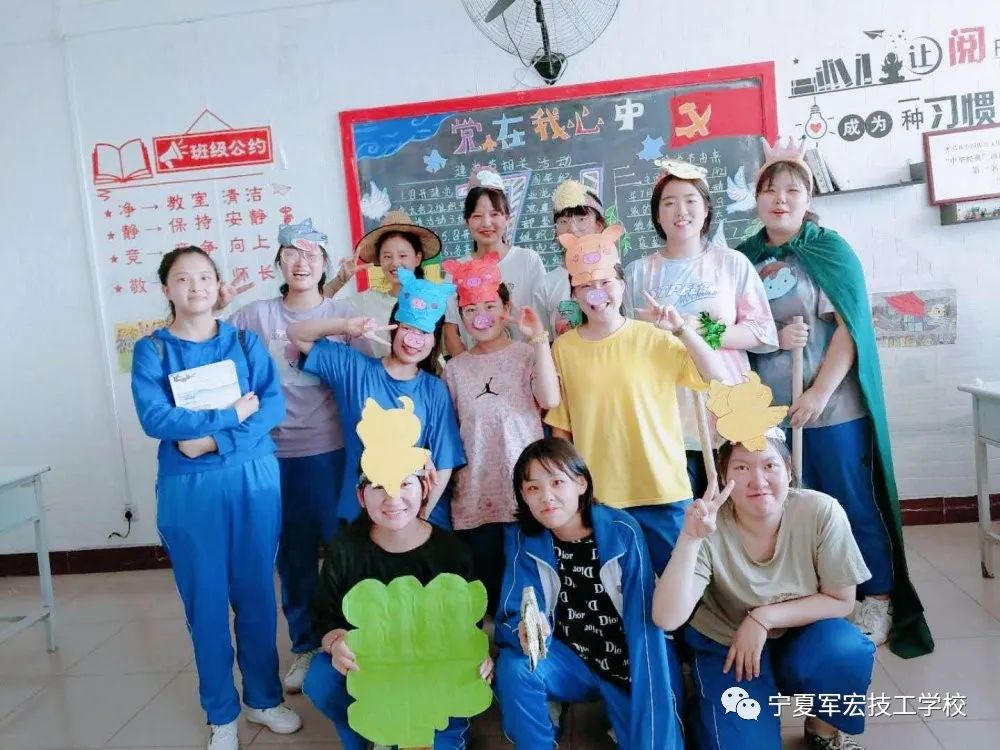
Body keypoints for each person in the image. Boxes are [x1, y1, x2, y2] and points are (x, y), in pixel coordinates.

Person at [737, 137, 932, 656]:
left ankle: (877, 597)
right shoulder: (742, 258)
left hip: (832, 410)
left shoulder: (829, 250)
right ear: (756, 197)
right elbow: (731, 328)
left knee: (848, 502)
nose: (781, 199)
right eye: (770, 189)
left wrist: (819, 393)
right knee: (789, 510)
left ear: (809, 197)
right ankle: (811, 599)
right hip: (767, 414)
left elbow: (850, 327)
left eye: (792, 189)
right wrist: (773, 339)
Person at [130, 246, 300, 750]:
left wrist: (209, 440)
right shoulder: (153, 351)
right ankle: (221, 714)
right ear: (167, 289)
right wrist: (229, 416)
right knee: (205, 602)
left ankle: (263, 699)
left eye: (205, 276)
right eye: (183, 278)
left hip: (253, 477)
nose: (196, 286)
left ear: (218, 284)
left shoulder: (244, 342)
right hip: (190, 490)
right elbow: (156, 418)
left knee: (256, 593)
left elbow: (270, 408)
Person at [652, 426, 876, 750]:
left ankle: (823, 731)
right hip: (730, 649)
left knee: (844, 648)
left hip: (800, 638)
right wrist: (689, 538)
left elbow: (842, 601)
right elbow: (667, 618)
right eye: (742, 467)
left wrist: (762, 617)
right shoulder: (708, 526)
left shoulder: (821, 511)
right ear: (723, 476)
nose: (758, 481)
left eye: (770, 465)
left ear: (789, 471)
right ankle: (705, 700)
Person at [227, 219, 372, 693]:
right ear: (279, 261)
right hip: (273, 457)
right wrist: (218, 301)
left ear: (325, 264)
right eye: (292, 253)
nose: (301, 262)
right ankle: (307, 645)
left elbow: (372, 373)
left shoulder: (344, 313)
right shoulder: (256, 315)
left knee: (346, 549)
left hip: (333, 453)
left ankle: (356, 636)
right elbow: (207, 345)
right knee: (293, 556)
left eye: (312, 255)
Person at [303, 398, 493, 749]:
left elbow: (469, 625)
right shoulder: (346, 549)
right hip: (375, 672)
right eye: (379, 486)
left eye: (405, 484)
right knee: (320, 678)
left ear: (424, 488)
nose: (393, 498)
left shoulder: (451, 552)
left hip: (433, 677)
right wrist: (335, 642)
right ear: (361, 496)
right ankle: (367, 734)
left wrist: (478, 654)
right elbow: (324, 617)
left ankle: (445, 731)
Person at [543, 223, 727, 573]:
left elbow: (715, 377)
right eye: (586, 286)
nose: (597, 293)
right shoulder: (564, 348)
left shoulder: (655, 337)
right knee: (620, 588)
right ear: (574, 294)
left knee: (679, 581)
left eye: (605, 282)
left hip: (663, 487)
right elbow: (562, 429)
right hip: (602, 494)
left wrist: (682, 330)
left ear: (623, 285)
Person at [493, 438, 683, 750]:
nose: (546, 497)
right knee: (515, 667)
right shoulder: (523, 539)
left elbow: (645, 627)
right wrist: (524, 632)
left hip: (629, 666)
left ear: (581, 483)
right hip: (570, 663)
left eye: (557, 482)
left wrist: (654, 715)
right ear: (523, 496)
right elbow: (513, 612)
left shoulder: (622, 531)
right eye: (533, 488)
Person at [623, 159, 777, 498]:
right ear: (657, 215)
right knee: (684, 510)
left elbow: (761, 332)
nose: (681, 211)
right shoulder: (637, 273)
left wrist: (701, 330)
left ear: (706, 209)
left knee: (736, 505)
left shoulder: (730, 263)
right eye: (669, 203)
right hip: (662, 411)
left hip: (727, 403)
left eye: (690, 200)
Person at [287, 269, 465, 529]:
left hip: (418, 512)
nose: (414, 340)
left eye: (424, 332)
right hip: (363, 511)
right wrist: (346, 326)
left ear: (434, 340)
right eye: (407, 328)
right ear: (393, 326)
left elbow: (444, 462)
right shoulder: (354, 368)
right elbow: (296, 333)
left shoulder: (434, 388)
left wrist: (420, 516)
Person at [441, 251, 559, 610]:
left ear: (506, 309)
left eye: (490, 306)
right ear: (460, 316)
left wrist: (539, 340)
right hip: (475, 495)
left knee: (534, 594)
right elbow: (449, 434)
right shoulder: (454, 369)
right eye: (470, 310)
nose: (481, 317)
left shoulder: (527, 354)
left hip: (526, 492)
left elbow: (550, 399)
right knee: (489, 596)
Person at [443, 168, 546, 355]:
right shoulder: (457, 270)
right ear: (466, 221)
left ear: (507, 218)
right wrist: (469, 369)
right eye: (477, 216)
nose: (486, 223)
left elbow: (542, 320)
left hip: (526, 363)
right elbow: (451, 332)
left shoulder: (528, 261)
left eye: (495, 214)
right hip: (474, 368)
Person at [322, 210, 442, 359]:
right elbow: (317, 308)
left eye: (403, 255)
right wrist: (339, 280)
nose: (395, 263)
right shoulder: (367, 300)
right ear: (379, 261)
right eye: (387, 256)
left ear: (417, 258)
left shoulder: (435, 302)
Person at [532, 179, 606, 339]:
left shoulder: (613, 275)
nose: (572, 229)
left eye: (581, 219)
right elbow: (543, 341)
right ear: (556, 232)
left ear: (599, 225)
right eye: (563, 221)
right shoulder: (546, 285)